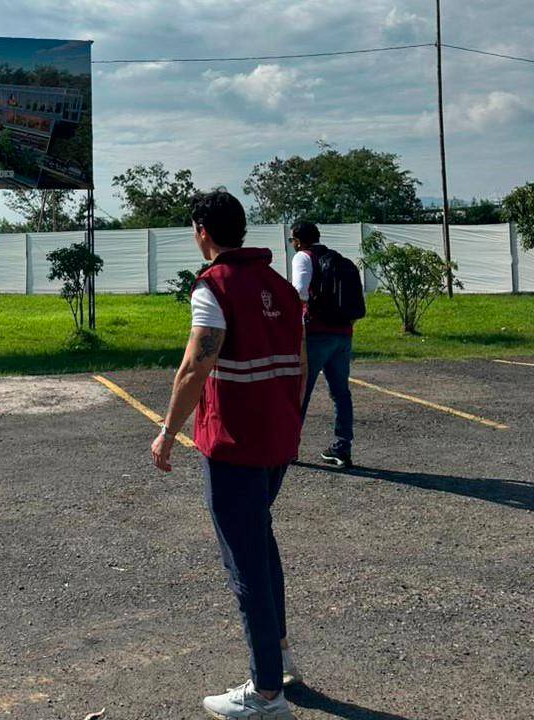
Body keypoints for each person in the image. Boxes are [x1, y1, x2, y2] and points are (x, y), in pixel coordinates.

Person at [151, 190, 305, 719]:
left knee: (245, 563)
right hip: (277, 441)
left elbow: (196, 366)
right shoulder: (280, 286)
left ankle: (266, 693)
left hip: (234, 444)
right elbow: (300, 364)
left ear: (202, 231)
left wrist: (168, 431)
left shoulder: (213, 286)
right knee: (260, 543)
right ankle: (280, 656)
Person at [289, 221, 355, 468]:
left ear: (298, 239)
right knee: (341, 393)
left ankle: (290, 447)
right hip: (343, 333)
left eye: (291, 240)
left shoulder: (303, 258)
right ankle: (342, 446)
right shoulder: (338, 260)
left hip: (316, 334)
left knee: (301, 391)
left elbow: (300, 293)